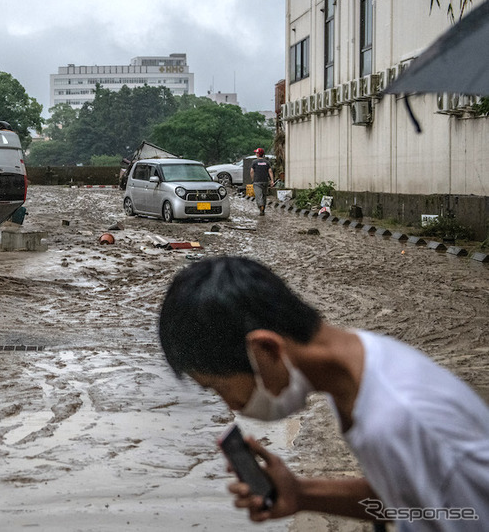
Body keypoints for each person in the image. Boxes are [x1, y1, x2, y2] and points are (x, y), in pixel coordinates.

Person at [158, 256, 489, 531]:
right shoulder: (362, 364)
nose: (231, 406)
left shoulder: (404, 420)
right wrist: (301, 493)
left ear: (266, 349)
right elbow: (417, 502)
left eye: (219, 388)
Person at [250, 148, 274, 215]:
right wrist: (272, 180)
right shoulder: (267, 162)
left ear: (258, 154)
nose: (255, 154)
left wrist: (252, 179)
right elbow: (270, 171)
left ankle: (261, 207)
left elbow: (251, 171)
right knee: (264, 195)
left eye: (256, 153)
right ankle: (263, 209)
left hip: (257, 181)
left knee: (258, 196)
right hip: (265, 181)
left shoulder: (254, 162)